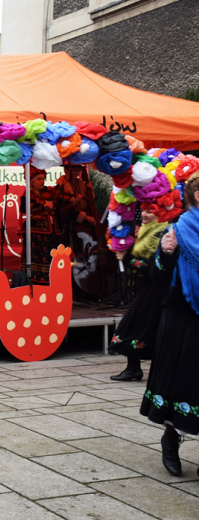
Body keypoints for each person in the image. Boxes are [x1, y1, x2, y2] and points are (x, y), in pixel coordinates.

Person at [140, 171, 199, 478]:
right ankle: (171, 438)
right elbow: (158, 279)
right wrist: (165, 253)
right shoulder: (179, 229)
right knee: (182, 381)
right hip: (182, 317)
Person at [109, 208, 168, 381]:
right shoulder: (146, 231)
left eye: (150, 211)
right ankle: (134, 368)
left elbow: (151, 267)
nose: (144, 214)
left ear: (160, 214)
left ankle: (135, 368)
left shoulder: (162, 234)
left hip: (156, 291)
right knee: (146, 330)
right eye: (143, 210)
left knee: (133, 326)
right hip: (146, 290)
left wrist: (126, 258)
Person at [20, 169, 60, 284]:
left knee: (50, 256)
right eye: (39, 179)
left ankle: (50, 280)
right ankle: (36, 281)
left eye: (43, 179)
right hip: (36, 231)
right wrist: (43, 206)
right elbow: (24, 207)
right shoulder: (27, 194)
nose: (42, 182)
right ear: (31, 182)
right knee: (36, 255)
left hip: (52, 231)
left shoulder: (47, 193)